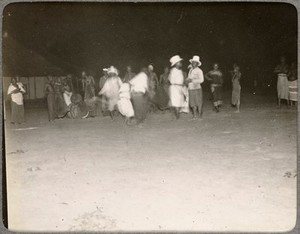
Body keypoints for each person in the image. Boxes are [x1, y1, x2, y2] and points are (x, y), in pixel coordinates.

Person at [168, 55, 185, 119]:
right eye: (179, 62)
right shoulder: (173, 70)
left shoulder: (179, 70)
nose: (181, 63)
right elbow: (172, 81)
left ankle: (176, 115)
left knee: (179, 102)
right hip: (175, 88)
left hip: (179, 87)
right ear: (176, 63)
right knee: (176, 102)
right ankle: (177, 116)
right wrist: (178, 85)